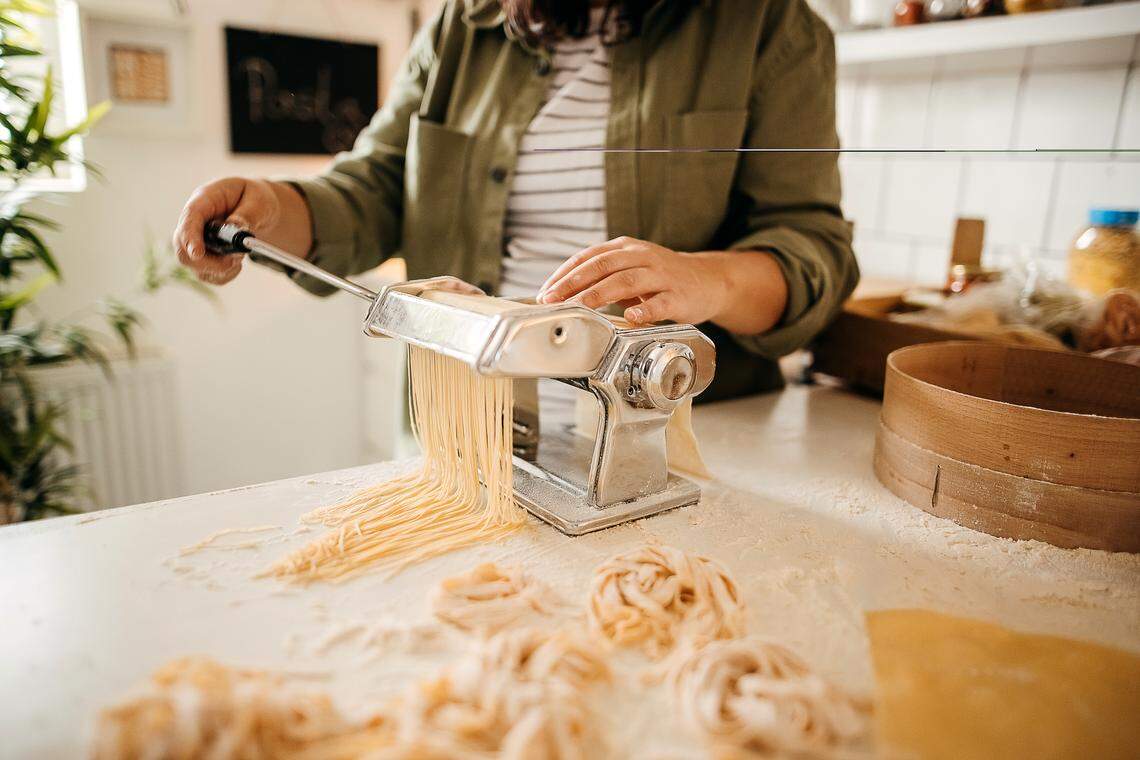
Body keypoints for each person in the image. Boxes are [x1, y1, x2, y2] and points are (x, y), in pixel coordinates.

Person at [173, 0, 858, 410]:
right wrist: (273, 206)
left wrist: (709, 278)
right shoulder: (461, 28)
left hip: (688, 434)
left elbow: (810, 248)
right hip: (472, 414)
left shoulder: (767, 24)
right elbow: (376, 186)